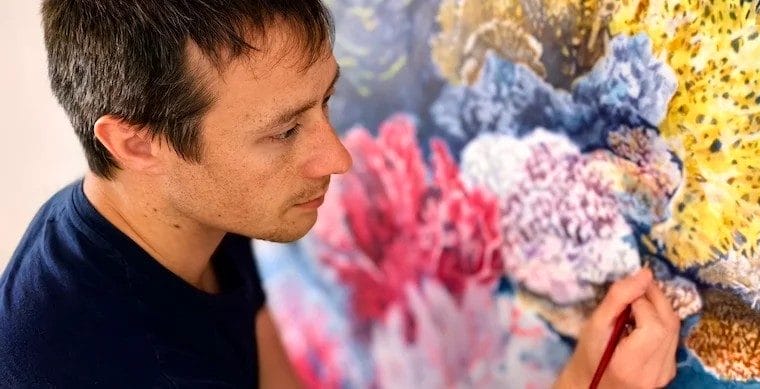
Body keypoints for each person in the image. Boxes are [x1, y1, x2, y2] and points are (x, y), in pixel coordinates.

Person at [0, 1, 680, 388]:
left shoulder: (189, 214)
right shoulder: (85, 363)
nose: (336, 156)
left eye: (323, 101)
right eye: (285, 130)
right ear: (136, 142)